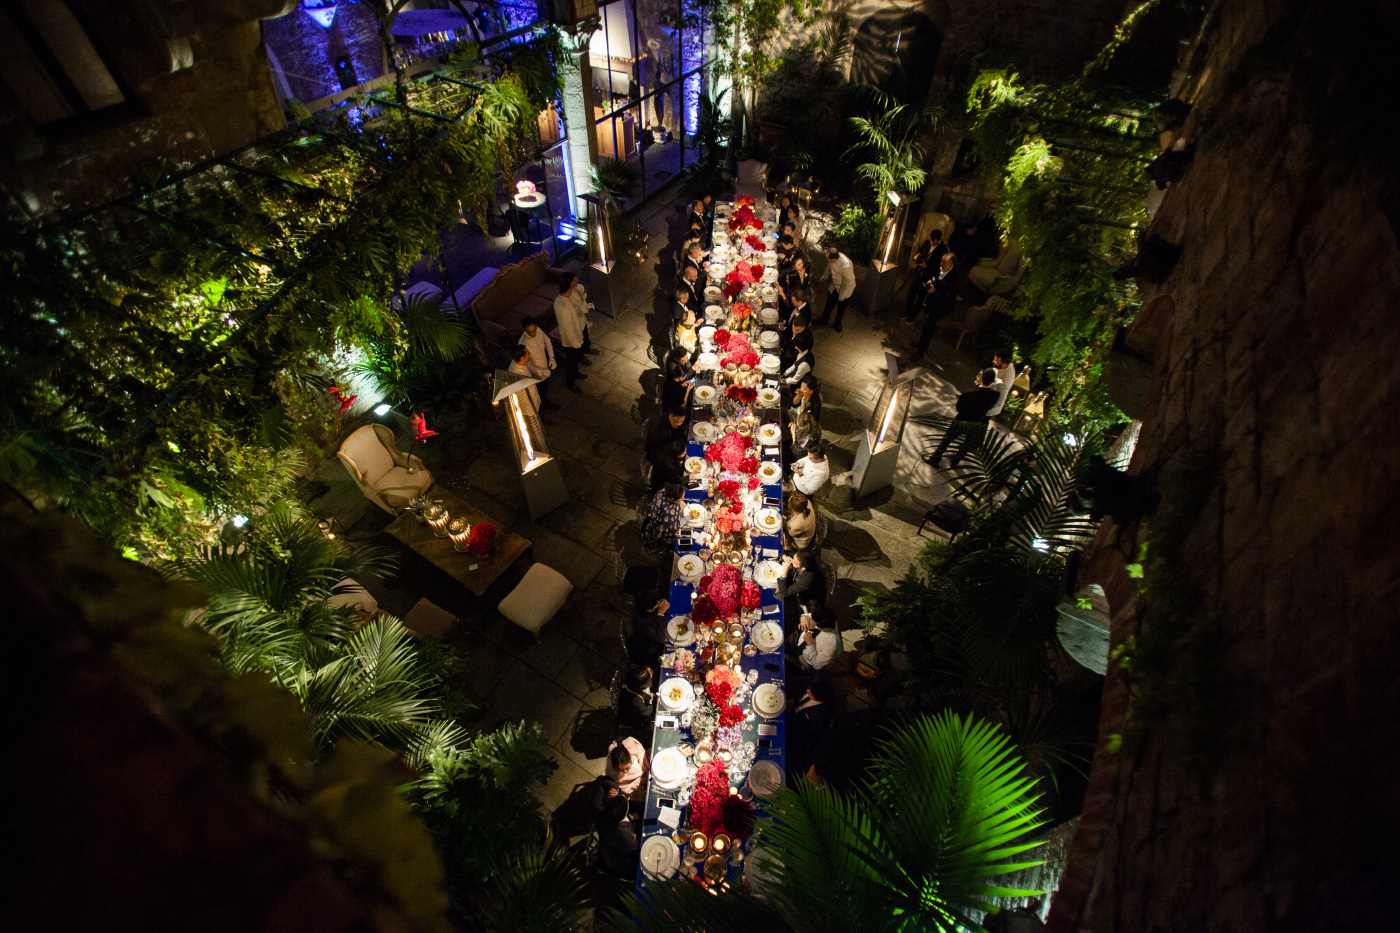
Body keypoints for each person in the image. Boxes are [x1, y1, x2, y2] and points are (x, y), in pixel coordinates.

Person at [925, 368, 1001, 468]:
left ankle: (935, 458)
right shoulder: (995, 396)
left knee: (947, 439)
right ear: (993, 381)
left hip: (962, 419)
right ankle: (956, 460)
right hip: (976, 423)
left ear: (981, 378)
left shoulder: (968, 394)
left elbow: (959, 408)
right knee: (967, 443)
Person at [913, 251, 962, 358]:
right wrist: (931, 281)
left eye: (944, 263)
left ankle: (921, 351)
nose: (941, 264)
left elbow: (947, 299)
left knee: (929, 327)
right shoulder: (941, 270)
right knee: (926, 325)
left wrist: (934, 291)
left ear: (951, 265)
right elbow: (935, 278)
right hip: (931, 301)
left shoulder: (954, 280)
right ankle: (921, 344)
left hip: (940, 306)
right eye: (941, 261)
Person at [554, 272, 594, 392]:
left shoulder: (558, 300)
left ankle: (576, 373)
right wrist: (575, 342)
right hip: (570, 341)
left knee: (574, 360)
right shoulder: (565, 307)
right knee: (571, 362)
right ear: (568, 290)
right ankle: (570, 382)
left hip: (571, 338)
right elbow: (568, 328)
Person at [790, 681, 836, 777]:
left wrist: (791, 722)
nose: (807, 691)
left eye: (810, 692)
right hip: (793, 711)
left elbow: (807, 729)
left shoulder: (821, 714)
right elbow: (798, 692)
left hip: (796, 724)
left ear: (818, 698)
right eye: (809, 689)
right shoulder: (813, 688)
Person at [776, 548, 826, 630]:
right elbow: (785, 552)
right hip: (794, 585)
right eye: (793, 558)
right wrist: (784, 556)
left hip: (804, 600)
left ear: (803, 568)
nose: (791, 561)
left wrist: (784, 573)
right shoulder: (800, 557)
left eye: (794, 562)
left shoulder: (807, 580)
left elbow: (785, 592)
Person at [517, 317, 559, 411]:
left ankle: (547, 404)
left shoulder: (539, 331)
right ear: (524, 330)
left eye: (534, 330)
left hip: (544, 366)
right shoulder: (523, 343)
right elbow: (526, 364)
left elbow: (547, 342)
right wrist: (542, 371)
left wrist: (551, 358)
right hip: (535, 375)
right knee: (538, 395)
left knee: (545, 390)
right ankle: (541, 413)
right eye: (530, 332)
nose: (533, 334)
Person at [594, 792, 639, 878]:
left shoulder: (600, 814)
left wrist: (612, 787)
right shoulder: (627, 836)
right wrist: (637, 822)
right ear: (624, 816)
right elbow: (636, 848)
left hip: (606, 850)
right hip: (622, 868)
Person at [905, 229, 946, 322]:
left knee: (921, 298)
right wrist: (916, 257)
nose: (931, 242)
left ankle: (913, 316)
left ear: (938, 239)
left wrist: (926, 266)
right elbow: (919, 253)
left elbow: (939, 267)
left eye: (933, 241)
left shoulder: (943, 249)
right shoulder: (927, 243)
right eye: (930, 240)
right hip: (919, 273)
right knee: (910, 295)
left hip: (928, 277)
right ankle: (909, 312)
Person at [646, 406, 688, 491]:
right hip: (659, 457)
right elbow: (655, 449)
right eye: (676, 421)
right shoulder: (658, 428)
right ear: (670, 416)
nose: (679, 424)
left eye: (681, 422)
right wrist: (676, 458)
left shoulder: (677, 423)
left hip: (671, 454)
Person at [788, 604, 839, 672]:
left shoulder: (830, 647)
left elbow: (817, 666)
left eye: (816, 625)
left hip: (804, 660)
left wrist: (810, 644)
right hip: (803, 642)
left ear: (826, 628)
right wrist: (804, 618)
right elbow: (810, 617)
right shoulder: (828, 619)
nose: (813, 624)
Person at [638, 481, 687, 551]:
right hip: (659, 532)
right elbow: (675, 529)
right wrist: (687, 518)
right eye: (682, 498)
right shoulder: (669, 516)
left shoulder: (663, 491)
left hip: (653, 518)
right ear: (673, 500)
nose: (683, 499)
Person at [626, 590, 671, 664]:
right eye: (657, 603)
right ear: (649, 609)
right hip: (647, 650)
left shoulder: (644, 602)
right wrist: (660, 614)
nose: (659, 603)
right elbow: (660, 638)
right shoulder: (643, 623)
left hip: (652, 635)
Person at [816, 247, 856, 331]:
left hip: (845, 288)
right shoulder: (831, 260)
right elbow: (829, 266)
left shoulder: (846, 265)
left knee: (841, 307)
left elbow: (847, 282)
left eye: (828, 258)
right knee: (829, 304)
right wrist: (824, 276)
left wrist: (842, 296)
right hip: (835, 285)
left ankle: (838, 323)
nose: (826, 259)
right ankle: (824, 320)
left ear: (834, 258)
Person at [617, 664, 656, 736]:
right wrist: (651, 701)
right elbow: (647, 712)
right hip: (635, 718)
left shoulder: (634, 674)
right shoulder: (636, 700)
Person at [507, 345, 543, 412]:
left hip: (535, 400)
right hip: (530, 407)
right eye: (527, 353)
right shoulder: (519, 376)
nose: (530, 353)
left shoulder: (516, 362)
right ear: (522, 358)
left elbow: (529, 366)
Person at [987, 349, 1017, 418]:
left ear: (1004, 365)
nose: (993, 362)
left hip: (990, 408)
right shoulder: (1006, 365)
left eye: (996, 361)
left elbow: (997, 400)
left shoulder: (1003, 383)